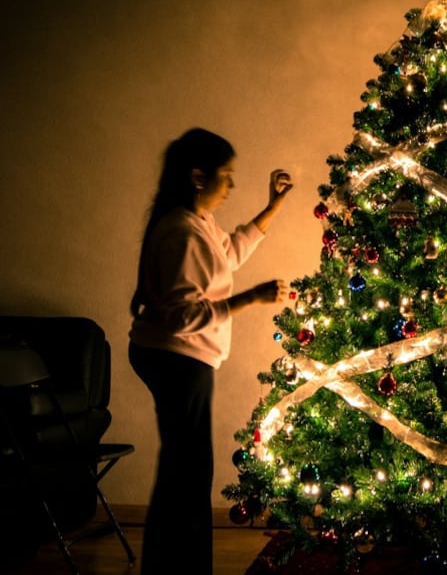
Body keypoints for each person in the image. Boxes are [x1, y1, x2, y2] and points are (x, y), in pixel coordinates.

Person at [128, 127, 292, 574]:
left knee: (185, 468)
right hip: (177, 357)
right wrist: (250, 299)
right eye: (227, 175)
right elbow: (184, 316)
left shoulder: (197, 222)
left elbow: (229, 252)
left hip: (180, 356)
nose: (232, 185)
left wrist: (272, 207)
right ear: (199, 177)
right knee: (188, 472)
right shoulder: (181, 231)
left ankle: (172, 565)